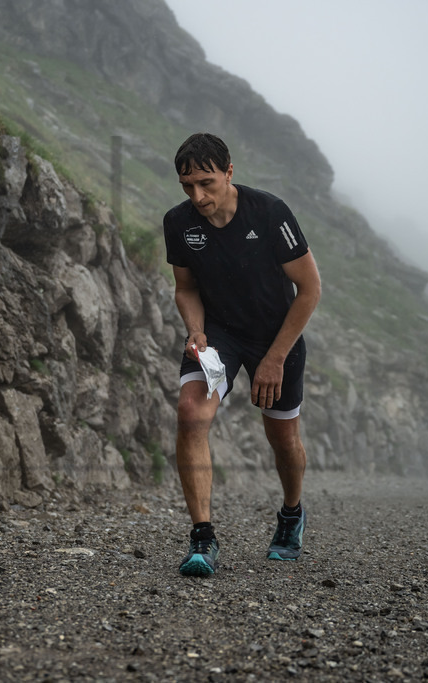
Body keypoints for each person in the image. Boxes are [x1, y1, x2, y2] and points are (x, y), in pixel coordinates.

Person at [162, 133, 322, 576]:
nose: (198, 196)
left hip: (276, 334)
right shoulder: (179, 223)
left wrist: (274, 359)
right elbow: (186, 287)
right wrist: (196, 330)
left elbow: (309, 290)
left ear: (230, 172)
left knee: (282, 438)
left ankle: (291, 514)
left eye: (207, 183)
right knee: (191, 413)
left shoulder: (269, 213)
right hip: (219, 335)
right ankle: (202, 538)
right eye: (188, 186)